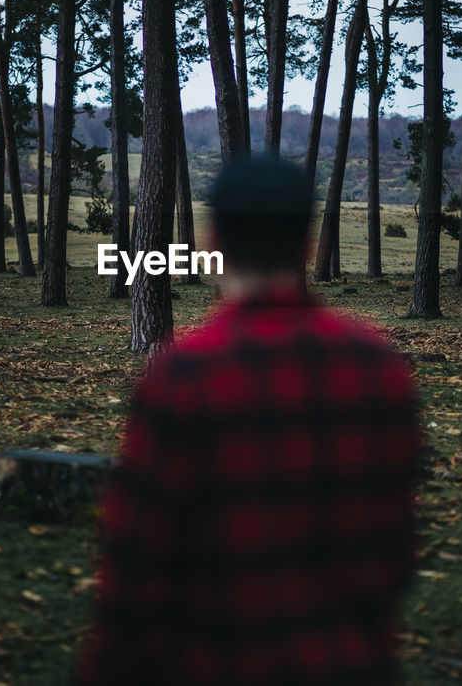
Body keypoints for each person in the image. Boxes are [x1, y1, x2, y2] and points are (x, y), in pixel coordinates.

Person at [76, 157, 421, 685]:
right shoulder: (380, 368)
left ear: (211, 245)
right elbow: (395, 551)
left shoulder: (185, 377)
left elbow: (136, 569)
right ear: (309, 245)